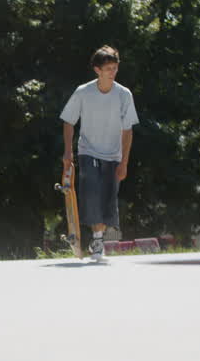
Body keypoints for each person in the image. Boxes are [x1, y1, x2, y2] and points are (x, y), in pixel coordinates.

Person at [59, 45, 140, 262]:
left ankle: (98, 239)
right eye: (108, 69)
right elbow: (68, 121)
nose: (112, 73)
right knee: (92, 191)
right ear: (97, 70)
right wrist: (68, 152)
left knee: (107, 199)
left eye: (115, 68)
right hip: (88, 151)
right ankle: (96, 241)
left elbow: (128, 131)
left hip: (113, 155)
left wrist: (124, 162)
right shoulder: (83, 92)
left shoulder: (124, 95)